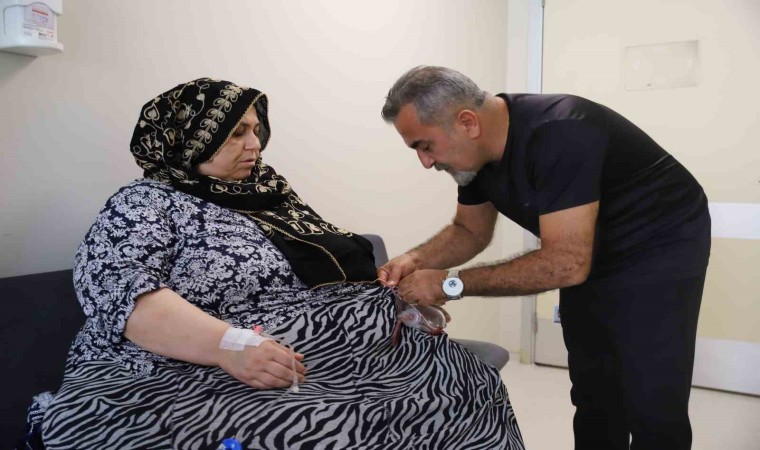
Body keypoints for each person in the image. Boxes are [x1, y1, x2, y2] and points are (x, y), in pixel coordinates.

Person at [25, 78, 525, 449]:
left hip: (337, 355)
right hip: (197, 365)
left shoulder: (271, 196)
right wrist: (231, 346)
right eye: (236, 132)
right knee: (321, 429)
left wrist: (394, 309)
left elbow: (332, 276)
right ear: (189, 137)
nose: (256, 144)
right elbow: (125, 296)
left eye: (256, 130)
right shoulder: (144, 204)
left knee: (468, 386)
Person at [379, 66, 710, 450]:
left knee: (652, 399)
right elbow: (470, 231)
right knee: (594, 391)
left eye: (425, 146)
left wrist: (450, 284)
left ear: (467, 122)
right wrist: (414, 259)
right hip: (585, 250)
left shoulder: (561, 131)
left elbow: (566, 264)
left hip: (660, 242)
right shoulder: (473, 159)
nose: (425, 162)